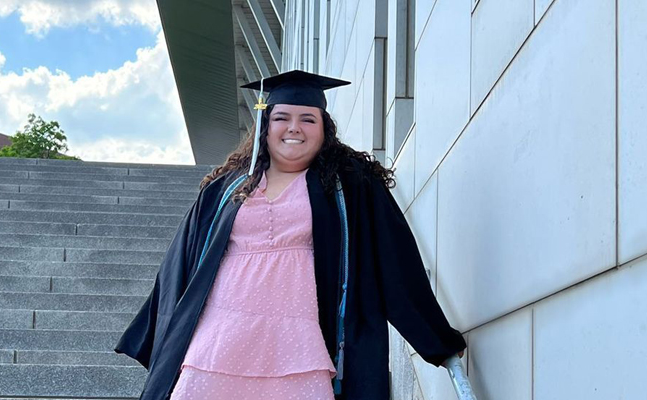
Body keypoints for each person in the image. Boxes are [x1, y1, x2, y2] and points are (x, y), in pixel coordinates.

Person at [114, 70, 466, 400]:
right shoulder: (225, 188)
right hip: (220, 338)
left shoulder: (350, 186)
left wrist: (437, 339)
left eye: (307, 119)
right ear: (266, 126)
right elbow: (181, 263)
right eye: (282, 118)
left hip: (299, 343)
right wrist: (154, 333)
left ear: (324, 129)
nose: (293, 128)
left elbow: (395, 261)